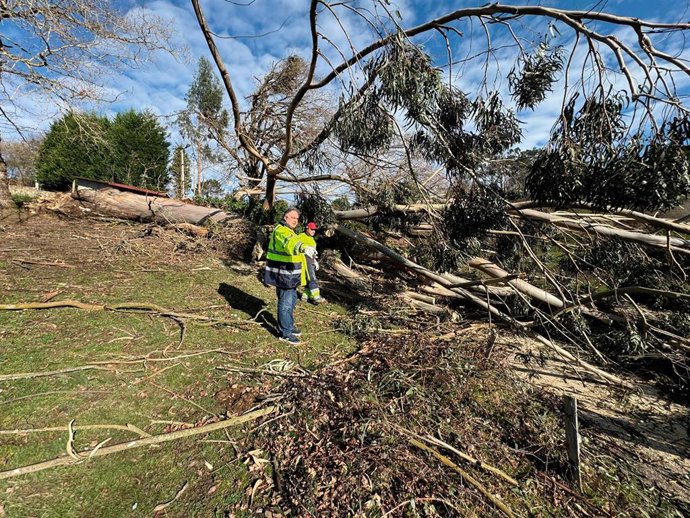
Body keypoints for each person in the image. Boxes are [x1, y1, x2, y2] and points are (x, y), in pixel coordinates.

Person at [264, 208, 317, 345]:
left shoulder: (290, 231)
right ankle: (285, 332)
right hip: (283, 274)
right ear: (285, 217)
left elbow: (296, 243)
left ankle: (289, 326)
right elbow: (290, 243)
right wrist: (303, 248)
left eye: (297, 219)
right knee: (286, 303)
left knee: (292, 300)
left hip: (290, 274)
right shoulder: (281, 230)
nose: (295, 220)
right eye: (292, 217)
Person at [298, 222, 326, 305]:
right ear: (307, 228)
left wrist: (315, 261)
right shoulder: (300, 236)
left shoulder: (312, 240)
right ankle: (316, 296)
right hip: (304, 260)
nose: (313, 231)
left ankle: (305, 296)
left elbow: (313, 253)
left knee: (309, 278)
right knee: (311, 278)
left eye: (314, 230)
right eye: (312, 229)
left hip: (311, 260)